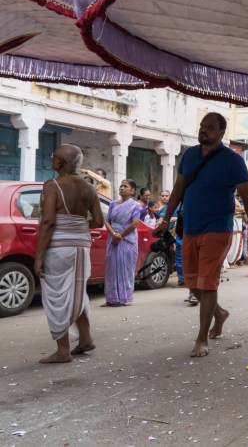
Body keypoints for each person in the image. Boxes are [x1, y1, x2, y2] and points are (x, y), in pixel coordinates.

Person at [155, 112, 248, 358]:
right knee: (193, 283)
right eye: (202, 126)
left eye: (210, 127)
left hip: (217, 228)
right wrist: (165, 219)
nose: (204, 130)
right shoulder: (189, 155)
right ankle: (219, 313)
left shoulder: (232, 160)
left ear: (221, 132)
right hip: (190, 227)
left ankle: (202, 338)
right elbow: (179, 188)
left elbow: (246, 196)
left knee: (207, 282)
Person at [35, 145, 104, 363]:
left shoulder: (52, 185)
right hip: (81, 246)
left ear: (60, 162)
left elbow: (48, 222)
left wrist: (38, 257)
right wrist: (77, 225)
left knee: (57, 296)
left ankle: (63, 350)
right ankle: (85, 339)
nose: (52, 159)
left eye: (54, 157)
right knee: (76, 293)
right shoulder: (89, 187)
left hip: (59, 247)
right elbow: (99, 221)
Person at [103, 179, 142, 306]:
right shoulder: (113, 204)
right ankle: (111, 298)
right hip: (113, 238)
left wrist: (120, 235)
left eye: (125, 186)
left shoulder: (135, 206)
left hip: (128, 240)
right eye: (121, 186)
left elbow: (134, 224)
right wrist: (113, 234)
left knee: (127, 269)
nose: (122, 188)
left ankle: (127, 297)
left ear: (132, 190)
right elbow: (107, 220)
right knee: (111, 269)